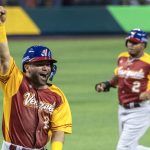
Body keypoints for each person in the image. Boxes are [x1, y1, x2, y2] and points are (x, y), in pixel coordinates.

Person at [0, 6, 72, 150]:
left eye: (48, 64)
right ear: (27, 67)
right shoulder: (16, 81)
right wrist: (1, 26)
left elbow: (59, 129)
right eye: (40, 64)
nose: (45, 68)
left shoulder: (57, 96)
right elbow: (4, 58)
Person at [95, 28, 150, 150]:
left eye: (135, 42)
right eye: (129, 42)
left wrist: (148, 93)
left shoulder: (148, 63)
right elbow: (118, 76)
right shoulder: (122, 57)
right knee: (131, 147)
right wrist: (106, 85)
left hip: (140, 111)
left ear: (143, 44)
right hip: (122, 109)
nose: (130, 45)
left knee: (123, 148)